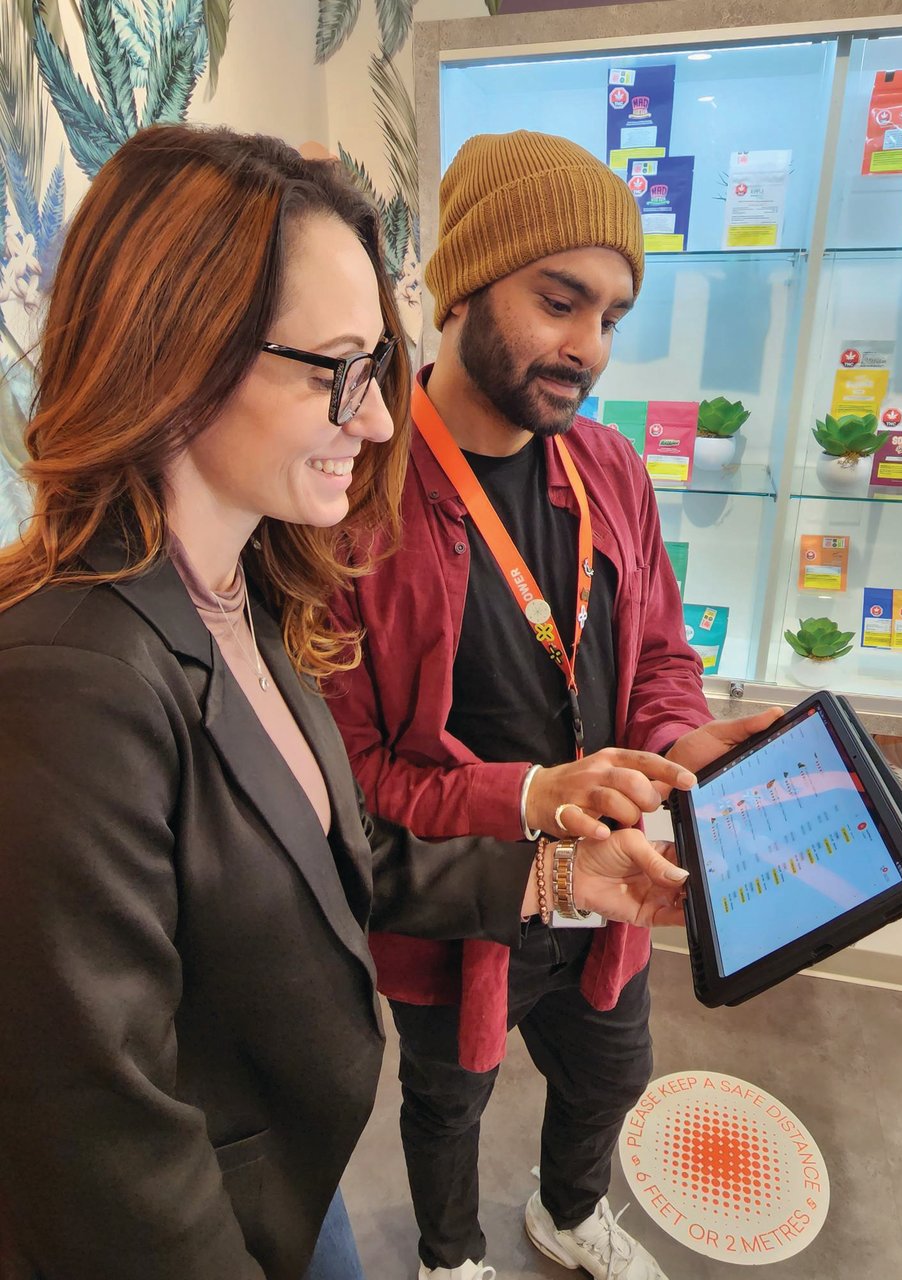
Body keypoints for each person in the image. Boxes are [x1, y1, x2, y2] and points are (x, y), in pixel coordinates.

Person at [0, 125, 699, 1280]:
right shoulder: (67, 687)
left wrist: (562, 875)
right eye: (338, 369)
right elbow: (104, 1157)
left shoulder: (253, 593)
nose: (376, 420)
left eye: (375, 367)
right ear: (179, 355)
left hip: (295, 1170)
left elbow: (340, 852)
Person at [326, 129, 782, 1280]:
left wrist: (682, 742)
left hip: (611, 884)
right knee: (446, 1095)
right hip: (453, 901)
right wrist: (532, 796)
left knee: (612, 1068)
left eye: (613, 317)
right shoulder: (354, 506)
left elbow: (662, 657)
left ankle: (570, 1212)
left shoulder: (612, 467)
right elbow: (357, 778)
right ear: (466, 281)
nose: (588, 349)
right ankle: (448, 1256)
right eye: (559, 300)